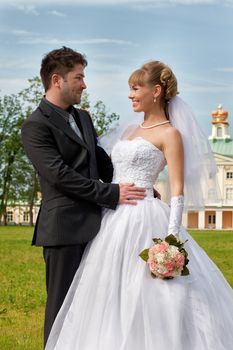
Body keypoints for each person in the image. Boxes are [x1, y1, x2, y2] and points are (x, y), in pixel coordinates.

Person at [45, 60, 233, 350]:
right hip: (111, 218)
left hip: (145, 218)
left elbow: (178, 191)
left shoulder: (170, 134)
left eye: (135, 89)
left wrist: (170, 242)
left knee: (150, 293)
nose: (130, 95)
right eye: (130, 90)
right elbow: (104, 164)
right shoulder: (128, 130)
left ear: (156, 91)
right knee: (105, 289)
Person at [21, 47, 146, 347]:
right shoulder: (35, 126)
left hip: (99, 229)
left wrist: (138, 181)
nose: (84, 84)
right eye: (79, 77)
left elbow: (102, 162)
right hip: (64, 231)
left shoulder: (84, 119)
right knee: (62, 308)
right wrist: (113, 193)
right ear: (56, 80)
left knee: (93, 307)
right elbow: (60, 176)